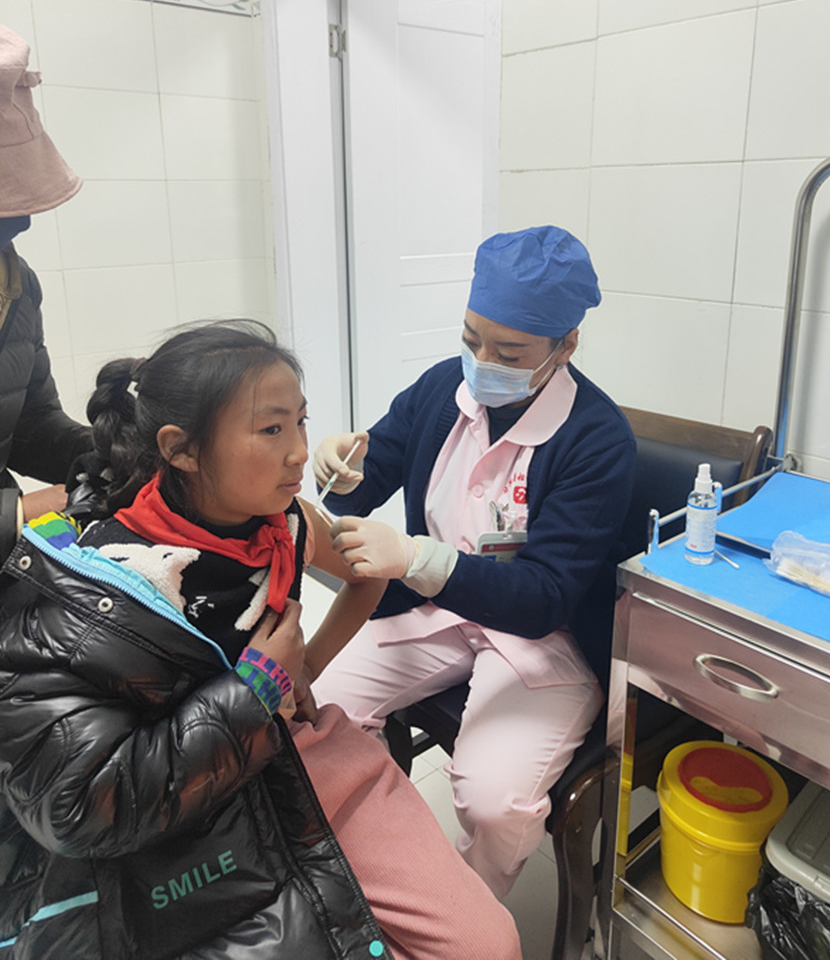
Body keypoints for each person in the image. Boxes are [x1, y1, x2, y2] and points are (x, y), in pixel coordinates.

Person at [0, 320, 522, 960]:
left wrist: (306, 667)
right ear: (181, 449)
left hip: (296, 749)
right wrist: (260, 685)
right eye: (272, 430)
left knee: (486, 942)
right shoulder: (104, 575)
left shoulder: (288, 523)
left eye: (301, 422)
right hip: (186, 807)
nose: (301, 451)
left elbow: (368, 576)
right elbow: (84, 803)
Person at [311, 226, 637, 898]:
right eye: (471, 339)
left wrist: (417, 557)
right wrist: (338, 468)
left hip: (545, 637)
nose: (482, 361)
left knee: (492, 801)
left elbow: (544, 597)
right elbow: (365, 479)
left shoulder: (598, 440)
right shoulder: (443, 389)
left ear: (566, 345)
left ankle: (466, 916)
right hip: (436, 609)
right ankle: (377, 870)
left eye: (509, 352)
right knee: (317, 709)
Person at [0, 22, 92, 560]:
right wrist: (21, 511)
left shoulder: (15, 283)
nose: (21, 224)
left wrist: (120, 455)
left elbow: (30, 424)